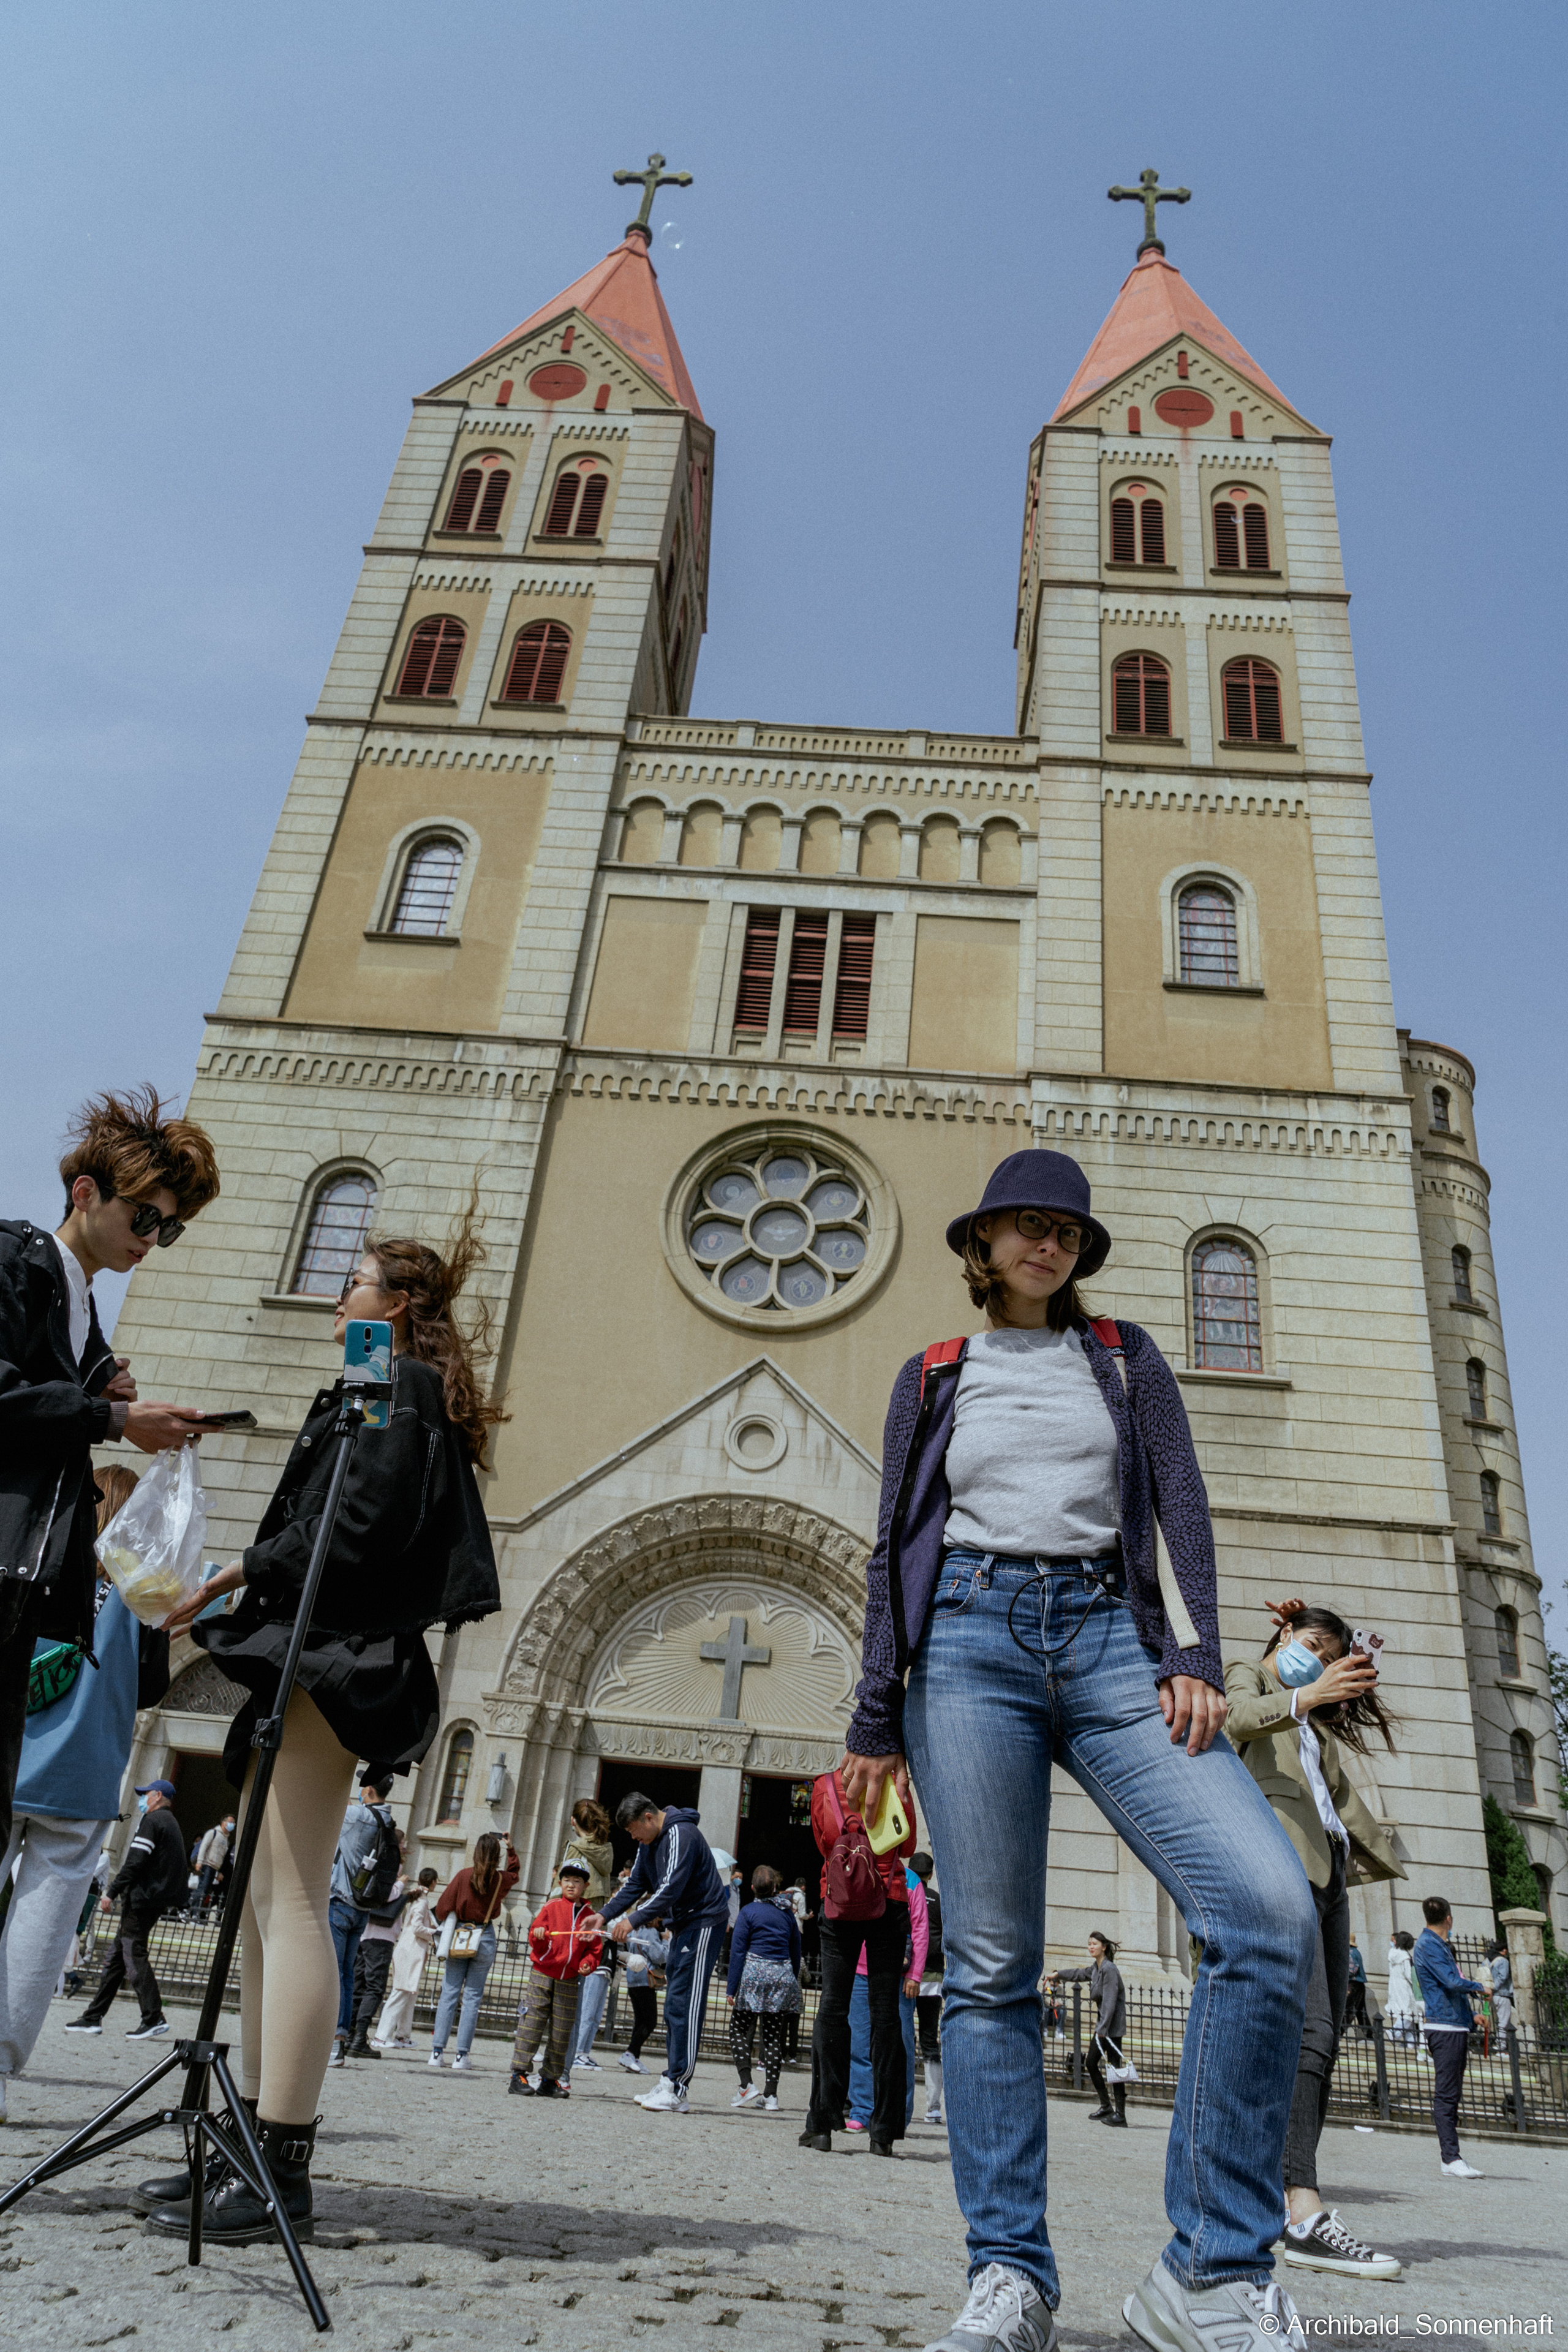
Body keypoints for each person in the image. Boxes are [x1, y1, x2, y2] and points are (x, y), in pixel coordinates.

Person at [840, 1148, 1317, 2352]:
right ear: (983, 1247)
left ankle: (1207, 2269)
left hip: (1112, 1648)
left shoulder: (1123, 1359)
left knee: (1262, 1909)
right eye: (1019, 1226)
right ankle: (1008, 2277)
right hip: (963, 1648)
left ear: (1078, 1250)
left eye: (1061, 1229)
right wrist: (869, 1714)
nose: (1041, 1243)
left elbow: (1181, 1497)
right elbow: (891, 1536)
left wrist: (1201, 1653)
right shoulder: (934, 1373)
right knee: (990, 1966)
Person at [138, 1210, 503, 2243]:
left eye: (357, 1282)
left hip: (343, 1656)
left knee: (294, 1899)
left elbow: (361, 1526)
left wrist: (246, 1568)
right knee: (259, 1904)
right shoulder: (365, 1391)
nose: (341, 1295)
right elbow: (333, 1512)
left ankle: (281, 2168)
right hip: (305, 1649)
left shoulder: (400, 1390)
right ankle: (246, 2144)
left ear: (397, 1307)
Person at [1, 1087, 217, 1850]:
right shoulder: (14, 1257)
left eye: (170, 1228)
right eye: (145, 1217)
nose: (152, 1239)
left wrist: (100, 1396)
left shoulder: (81, 1307)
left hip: (26, 1585)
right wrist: (112, 1416)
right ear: (86, 1193)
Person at [1225, 1598, 1404, 2281]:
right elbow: (1236, 1719)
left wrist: (1351, 1670)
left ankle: (1283, 2196)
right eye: (1314, 1650)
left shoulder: (1314, 1722)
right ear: (1285, 1637)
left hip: (1328, 1875)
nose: (1323, 1666)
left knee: (1320, 2038)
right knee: (1309, 2032)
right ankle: (1301, 2209)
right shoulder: (1253, 1677)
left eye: (1332, 1659)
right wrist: (1303, 1692)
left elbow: (1331, 1781)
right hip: (1281, 1868)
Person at [1, 1469, 170, 2118]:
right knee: (42, 1929)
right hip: (84, 1773)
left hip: (11, 1752)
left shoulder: (39, 1551)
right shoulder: (143, 1582)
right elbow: (152, 1687)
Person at [801, 1761, 918, 2157]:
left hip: (839, 1902)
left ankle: (821, 2123)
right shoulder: (892, 1783)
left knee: (832, 2008)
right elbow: (909, 1844)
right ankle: (883, 2131)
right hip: (890, 1898)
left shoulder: (823, 1787)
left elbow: (822, 1843)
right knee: (886, 2015)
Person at [590, 1792, 729, 2115]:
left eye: (633, 1830)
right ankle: (671, 2082)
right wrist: (605, 1914)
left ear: (649, 1818)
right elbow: (637, 1882)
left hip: (704, 1921)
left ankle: (678, 2087)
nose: (633, 1837)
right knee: (676, 2003)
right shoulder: (649, 1843)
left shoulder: (682, 1834)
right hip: (685, 1924)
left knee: (686, 2002)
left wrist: (632, 1919)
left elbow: (670, 1888)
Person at [66, 1777, 188, 2040]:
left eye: (145, 1794)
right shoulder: (170, 1822)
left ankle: (154, 2017)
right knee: (116, 1959)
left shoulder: (153, 1821)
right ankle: (92, 2017)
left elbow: (135, 1862)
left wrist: (111, 1891)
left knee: (133, 1952)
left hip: (144, 1898)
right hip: (154, 1897)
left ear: (157, 1796)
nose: (141, 1798)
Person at [846, 1854, 928, 2135]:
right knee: (859, 2043)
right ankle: (862, 2109)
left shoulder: (911, 1880)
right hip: (861, 1970)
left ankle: (898, 2114)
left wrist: (916, 1974)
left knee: (900, 2047)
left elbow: (920, 1930)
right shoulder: (861, 1868)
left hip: (899, 1974)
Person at [511, 1856, 601, 2097]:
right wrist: (539, 1935)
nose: (571, 1885)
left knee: (562, 2031)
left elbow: (595, 1950)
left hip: (570, 1979)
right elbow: (535, 1937)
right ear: (559, 1883)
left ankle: (550, 2080)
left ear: (586, 1886)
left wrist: (587, 1964)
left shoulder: (590, 1916)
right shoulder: (550, 1907)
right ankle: (518, 2075)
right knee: (532, 2023)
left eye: (577, 1881)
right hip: (542, 1974)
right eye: (567, 1880)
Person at [328, 1771, 399, 2066]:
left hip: (342, 1901)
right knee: (344, 1974)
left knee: (334, 1973)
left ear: (368, 1788)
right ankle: (341, 2038)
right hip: (362, 1908)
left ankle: (333, 2042)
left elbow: (326, 1808)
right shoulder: (387, 1820)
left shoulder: (357, 1816)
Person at [431, 1830, 518, 2070]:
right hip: (485, 1936)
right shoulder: (500, 1880)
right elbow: (515, 1874)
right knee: (472, 1998)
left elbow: (442, 1907)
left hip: (460, 1935)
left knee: (449, 1994)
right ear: (497, 1855)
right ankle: (461, 2056)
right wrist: (511, 1849)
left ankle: (437, 2052)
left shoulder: (463, 1876)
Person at [1413, 1896, 1487, 2179]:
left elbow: (1450, 1991)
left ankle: (1451, 2157)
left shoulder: (1438, 1945)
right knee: (1446, 2094)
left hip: (1453, 2025)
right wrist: (1480, 1987)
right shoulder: (1430, 1945)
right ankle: (1451, 2157)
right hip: (1443, 2028)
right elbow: (1451, 1982)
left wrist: (1472, 2019)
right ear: (1449, 1919)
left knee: (1452, 2094)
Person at [727, 1864, 803, 2110]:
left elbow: (738, 1951)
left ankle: (746, 2084)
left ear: (752, 1889)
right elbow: (796, 1948)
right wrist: (789, 1979)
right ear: (775, 1888)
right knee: (772, 2036)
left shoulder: (748, 1913)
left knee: (738, 2028)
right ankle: (771, 2095)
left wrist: (732, 1987)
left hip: (754, 1974)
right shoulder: (787, 1914)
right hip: (781, 1974)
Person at [1052, 1932, 1129, 2128]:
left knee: (1106, 2066)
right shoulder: (1097, 1969)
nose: (1091, 1947)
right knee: (1108, 2066)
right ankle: (1108, 2108)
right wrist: (1058, 1974)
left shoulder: (1109, 1970)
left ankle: (1118, 2113)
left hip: (1110, 2029)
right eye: (1089, 1944)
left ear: (1104, 1946)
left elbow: (1111, 2002)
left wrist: (1102, 2030)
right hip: (1105, 2027)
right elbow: (1079, 1973)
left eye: (1094, 1944)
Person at [562, 1800, 616, 2072]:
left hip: (573, 1927)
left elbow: (566, 1893)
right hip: (595, 1929)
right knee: (580, 2000)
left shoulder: (575, 1849)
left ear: (574, 1822)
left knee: (563, 2000)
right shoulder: (606, 1850)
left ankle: (559, 2065)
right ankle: (570, 2064)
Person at [347, 1831, 410, 2057]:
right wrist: (401, 1886)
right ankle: (359, 2038)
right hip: (381, 1936)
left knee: (358, 1985)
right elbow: (384, 1895)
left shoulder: (370, 1859)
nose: (405, 1846)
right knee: (374, 1987)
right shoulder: (392, 1866)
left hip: (365, 1931)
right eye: (403, 1842)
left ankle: (349, 2034)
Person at [374, 1866, 439, 2048]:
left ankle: (402, 2035)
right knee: (401, 1992)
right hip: (410, 1952)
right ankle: (381, 2035)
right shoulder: (422, 1901)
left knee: (409, 1993)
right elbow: (417, 1928)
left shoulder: (419, 1898)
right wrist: (435, 1934)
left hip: (411, 1952)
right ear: (433, 1882)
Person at [911, 1852, 946, 2123]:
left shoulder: (906, 1894)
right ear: (931, 1874)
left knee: (900, 2035)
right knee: (929, 2040)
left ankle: (899, 2098)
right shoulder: (938, 1902)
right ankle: (933, 2107)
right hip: (934, 1976)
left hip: (908, 1973)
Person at [617, 1912, 669, 2075]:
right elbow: (660, 1956)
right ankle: (630, 2053)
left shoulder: (634, 1931)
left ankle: (634, 2058)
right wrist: (667, 1942)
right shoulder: (651, 1932)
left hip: (633, 1978)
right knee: (650, 2021)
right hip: (646, 1979)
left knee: (640, 2021)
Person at [190, 1813, 235, 1918]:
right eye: (231, 1822)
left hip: (214, 1868)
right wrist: (199, 1862)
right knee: (202, 1889)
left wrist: (217, 1872)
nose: (233, 1825)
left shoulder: (226, 1839)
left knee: (205, 1891)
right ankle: (190, 1911)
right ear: (224, 1823)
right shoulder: (213, 1833)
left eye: (234, 1823)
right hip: (206, 1865)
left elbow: (220, 1857)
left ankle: (195, 1913)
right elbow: (203, 1847)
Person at [1385, 1932, 1420, 2048]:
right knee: (1408, 2013)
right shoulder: (1405, 1957)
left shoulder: (1393, 1953)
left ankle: (1411, 2043)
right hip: (1404, 1987)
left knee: (1404, 2012)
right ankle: (1395, 2031)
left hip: (1394, 1986)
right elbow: (1409, 1975)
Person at [1486, 1940, 1513, 2037]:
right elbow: (1503, 1977)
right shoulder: (1503, 1961)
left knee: (1499, 2020)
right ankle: (1501, 2046)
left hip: (1493, 1995)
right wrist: (1494, 1988)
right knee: (1504, 2022)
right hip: (1502, 1994)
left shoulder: (1489, 1960)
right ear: (1505, 1950)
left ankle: (1499, 2044)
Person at [1344, 1940, 1370, 2040]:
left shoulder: (1350, 1952)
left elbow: (1352, 1970)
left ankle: (1339, 2031)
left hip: (1353, 1984)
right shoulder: (1356, 1952)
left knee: (1348, 2008)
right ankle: (1370, 2034)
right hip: (1359, 1985)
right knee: (1361, 2011)